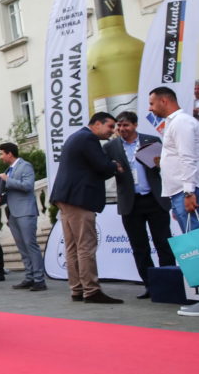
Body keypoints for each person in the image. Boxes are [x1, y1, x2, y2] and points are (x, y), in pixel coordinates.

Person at [50, 112, 123, 304]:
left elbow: (91, 168)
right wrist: (115, 166)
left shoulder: (77, 137)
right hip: (79, 199)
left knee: (72, 247)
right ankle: (91, 290)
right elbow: (101, 166)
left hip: (67, 198)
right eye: (110, 126)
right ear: (97, 124)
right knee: (85, 246)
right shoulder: (88, 138)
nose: (112, 131)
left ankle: (77, 289)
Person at [103, 111, 175, 299]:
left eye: (126, 125)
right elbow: (104, 170)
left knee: (163, 243)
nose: (122, 129)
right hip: (130, 203)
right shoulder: (111, 147)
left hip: (154, 199)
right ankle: (150, 286)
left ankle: (169, 284)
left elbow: (164, 166)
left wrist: (159, 163)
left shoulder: (151, 141)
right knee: (139, 247)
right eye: (119, 125)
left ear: (135, 125)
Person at [147, 87, 199, 317]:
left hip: (186, 191)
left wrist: (188, 193)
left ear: (164, 101)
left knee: (195, 246)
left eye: (152, 103)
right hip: (179, 192)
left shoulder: (181, 122)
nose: (150, 108)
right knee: (193, 245)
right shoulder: (175, 123)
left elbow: (189, 158)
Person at [0, 143, 46, 291]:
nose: (0, 157)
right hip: (13, 213)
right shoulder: (9, 169)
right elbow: (12, 191)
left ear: (9, 154)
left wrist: (7, 180)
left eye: (2, 154)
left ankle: (39, 279)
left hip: (26, 212)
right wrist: (0, 197)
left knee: (30, 245)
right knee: (22, 247)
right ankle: (29, 277)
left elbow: (28, 186)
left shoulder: (25, 166)